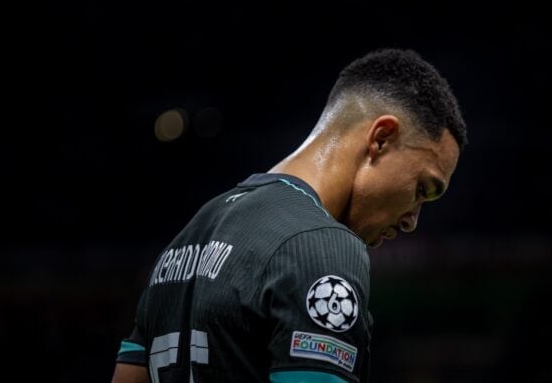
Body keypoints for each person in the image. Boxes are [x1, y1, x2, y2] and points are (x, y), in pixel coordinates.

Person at [111, 48, 468, 383]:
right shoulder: (321, 244)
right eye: (422, 189)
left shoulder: (188, 237)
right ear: (381, 138)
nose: (412, 220)